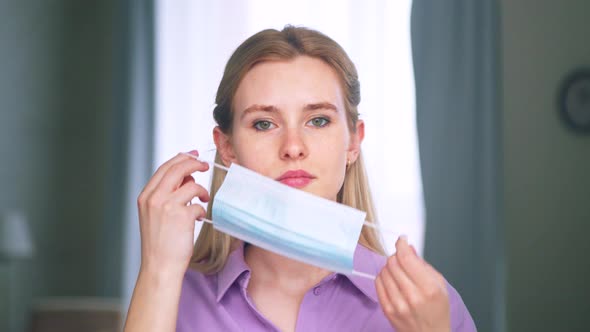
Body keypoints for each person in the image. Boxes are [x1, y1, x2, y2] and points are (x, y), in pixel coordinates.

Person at [124, 26, 476, 332]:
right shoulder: (175, 294)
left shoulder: (429, 305)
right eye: (264, 123)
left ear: (353, 142)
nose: (293, 147)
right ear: (227, 149)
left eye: (318, 120)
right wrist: (157, 271)